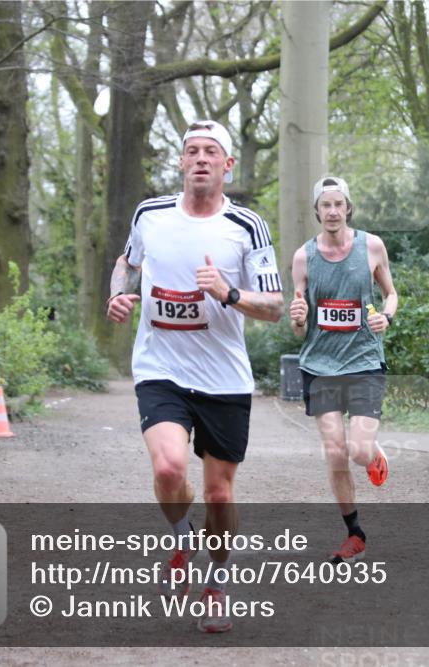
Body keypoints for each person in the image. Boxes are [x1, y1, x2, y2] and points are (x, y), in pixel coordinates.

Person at [107, 120, 283, 633]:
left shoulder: (248, 226)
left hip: (224, 378)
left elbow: (274, 307)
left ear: (228, 165)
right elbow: (127, 263)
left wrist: (228, 293)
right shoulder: (150, 215)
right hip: (160, 369)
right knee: (167, 469)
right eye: (191, 151)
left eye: (211, 152)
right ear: (181, 163)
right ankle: (182, 538)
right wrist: (118, 292)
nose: (200, 159)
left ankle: (217, 584)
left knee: (221, 496)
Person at [288, 176, 398, 564]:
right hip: (320, 365)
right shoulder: (304, 257)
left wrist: (386, 316)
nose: (332, 211)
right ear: (316, 211)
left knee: (358, 451)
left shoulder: (371, 246)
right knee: (336, 452)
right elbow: (300, 328)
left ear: (348, 208)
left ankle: (372, 453)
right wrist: (298, 318)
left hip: (365, 361)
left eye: (339, 204)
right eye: (325, 205)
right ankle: (355, 534)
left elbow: (391, 293)